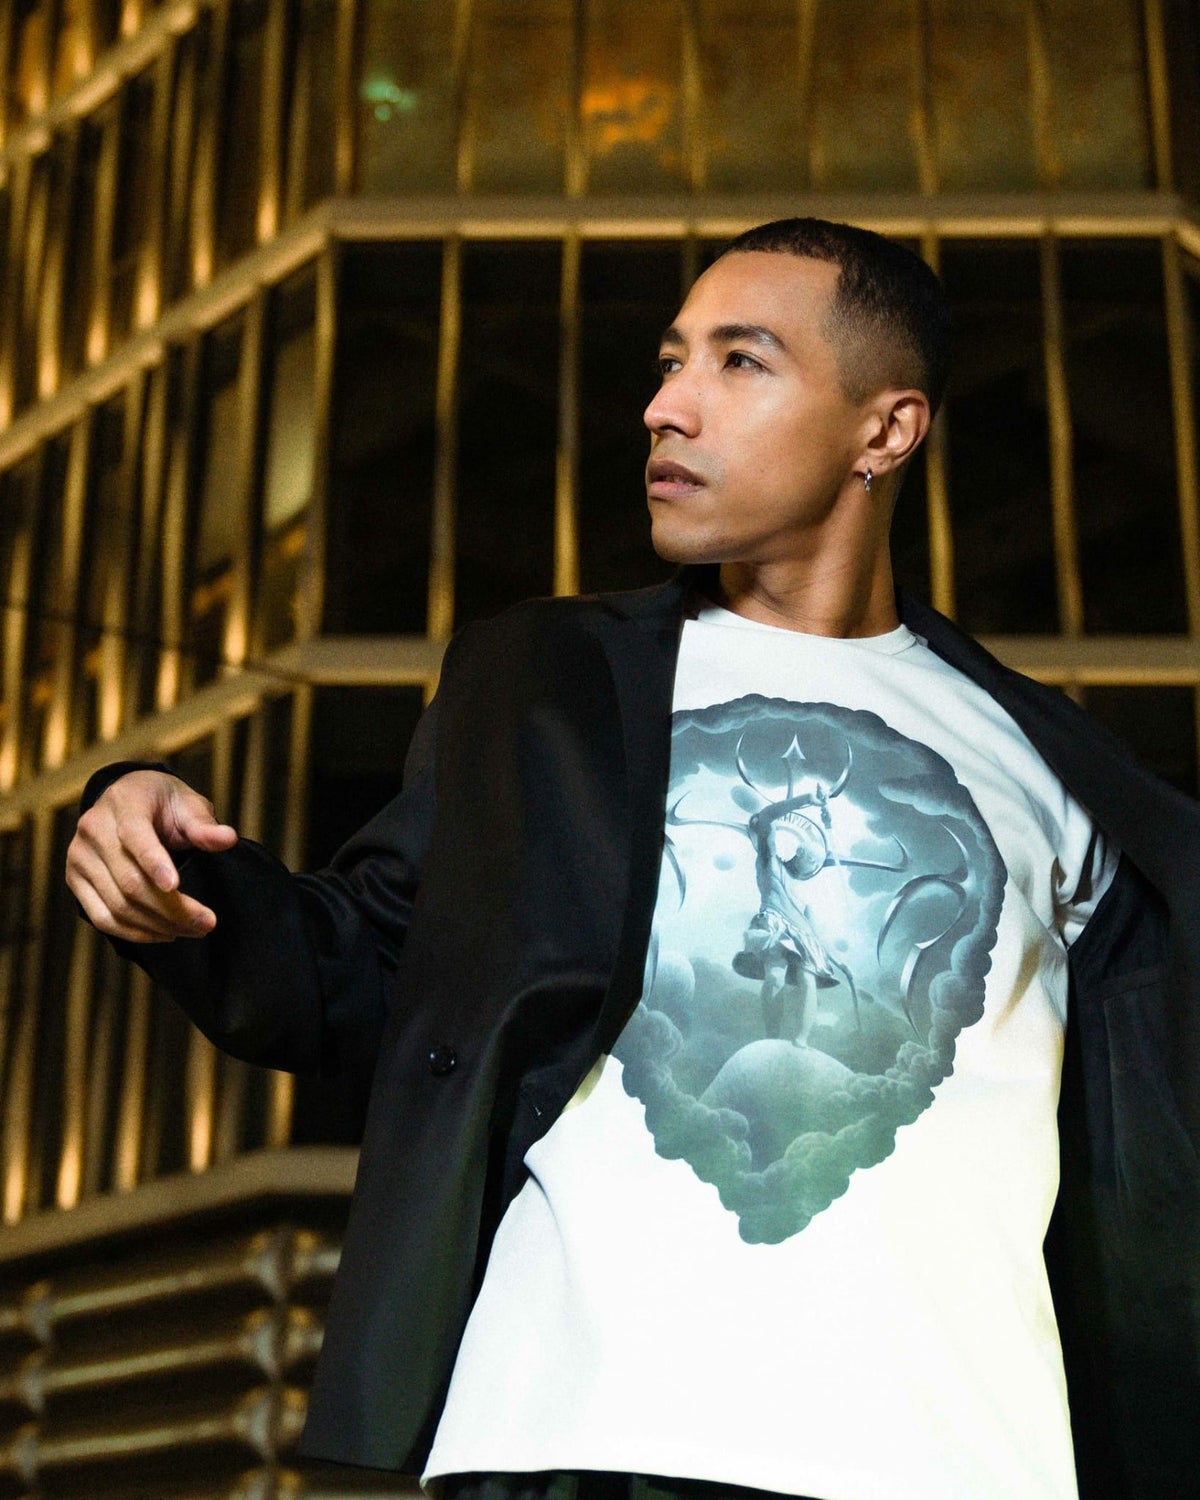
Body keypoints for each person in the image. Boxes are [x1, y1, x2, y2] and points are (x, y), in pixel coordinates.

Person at [66, 221, 1200, 1500]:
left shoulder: (1056, 776)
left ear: (886, 431)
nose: (667, 406)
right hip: (574, 1435)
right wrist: (167, 855)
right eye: (670, 363)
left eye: (739, 362)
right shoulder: (545, 688)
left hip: (953, 1459)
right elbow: (367, 972)